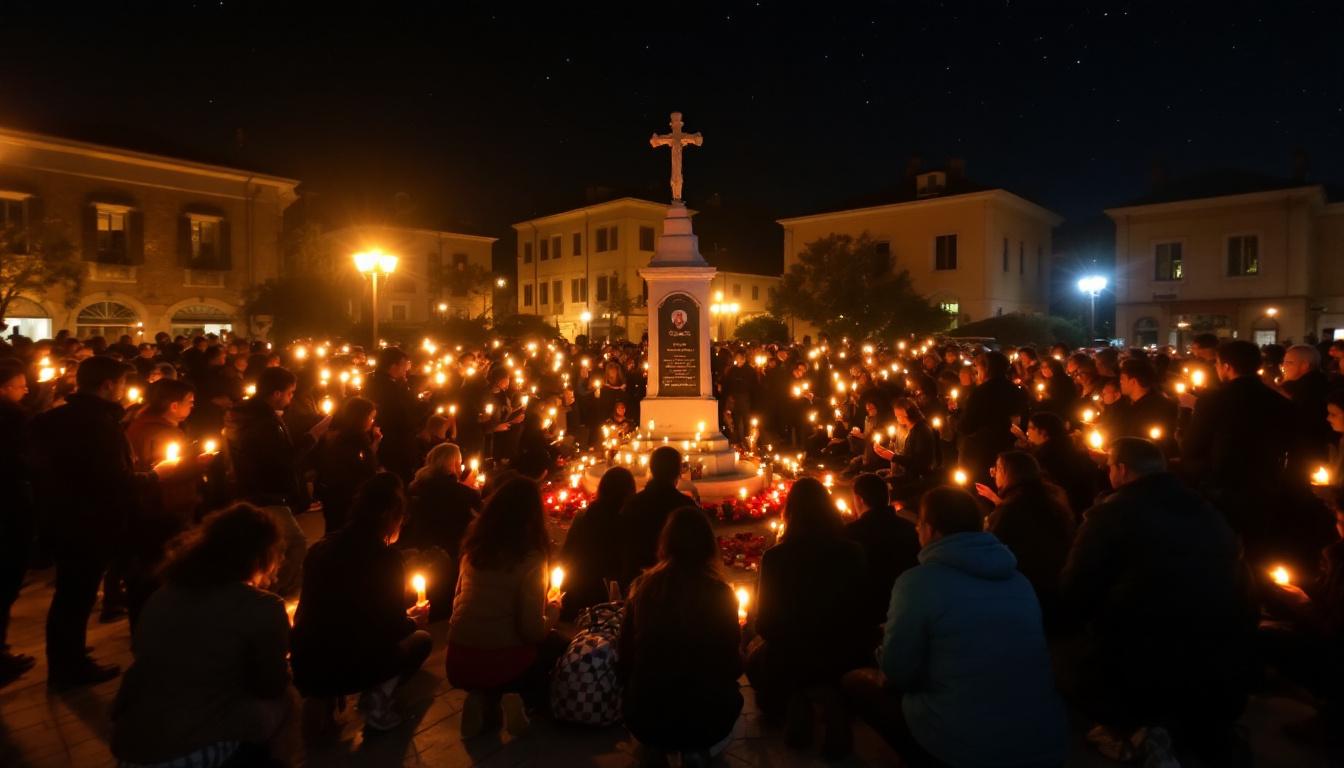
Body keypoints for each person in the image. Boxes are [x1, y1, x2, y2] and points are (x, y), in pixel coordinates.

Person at [1061, 437, 1257, 763]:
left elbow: (1074, 588)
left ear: (1121, 470)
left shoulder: (1111, 514)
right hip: (1219, 643)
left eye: (1109, 467)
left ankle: (1139, 730)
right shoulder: (1203, 508)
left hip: (1146, 648)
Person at [843, 486, 1068, 768]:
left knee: (855, 682)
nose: (916, 531)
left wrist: (884, 645)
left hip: (966, 747)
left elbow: (897, 672)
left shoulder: (918, 583)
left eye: (920, 525)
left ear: (933, 530)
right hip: (1043, 739)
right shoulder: (1018, 581)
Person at [111, 503, 295, 766]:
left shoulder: (163, 595)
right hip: (188, 751)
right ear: (261, 556)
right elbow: (271, 684)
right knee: (285, 702)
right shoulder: (262, 606)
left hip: (132, 744)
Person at [28, 355, 144, 687]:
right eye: (121, 383)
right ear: (108, 385)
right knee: (75, 596)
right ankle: (68, 668)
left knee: (70, 595)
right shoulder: (97, 425)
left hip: (61, 518)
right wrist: (156, 476)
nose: (124, 390)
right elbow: (113, 478)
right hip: (89, 522)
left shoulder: (54, 418)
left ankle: (68, 658)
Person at [291, 472, 431, 731]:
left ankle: (322, 694)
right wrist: (413, 619)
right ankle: (377, 697)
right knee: (422, 640)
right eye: (401, 516)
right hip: (351, 661)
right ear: (389, 515)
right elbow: (391, 627)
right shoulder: (384, 559)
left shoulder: (320, 549)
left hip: (306, 659)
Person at [748, 477, 868, 758]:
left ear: (790, 513)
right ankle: (827, 703)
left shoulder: (776, 557)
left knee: (754, 651)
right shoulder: (852, 551)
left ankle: (799, 700)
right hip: (845, 650)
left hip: (793, 655)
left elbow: (765, 622)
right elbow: (863, 606)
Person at [620, 506, 743, 765]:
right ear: (709, 545)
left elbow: (626, 656)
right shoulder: (720, 593)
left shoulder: (643, 589)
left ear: (667, 542)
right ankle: (696, 750)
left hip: (646, 712)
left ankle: (656, 744)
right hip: (709, 717)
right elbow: (731, 664)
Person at [446, 478, 563, 738]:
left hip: (458, 660)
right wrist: (553, 609)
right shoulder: (531, 558)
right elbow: (531, 630)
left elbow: (458, 601)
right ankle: (517, 695)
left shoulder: (472, 550)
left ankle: (484, 699)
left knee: (498, 644)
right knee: (554, 645)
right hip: (504, 664)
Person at [1181, 340, 1296, 565]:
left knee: (1220, 547)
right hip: (1265, 485)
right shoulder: (1278, 400)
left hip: (1223, 485)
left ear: (1226, 366)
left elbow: (1193, 445)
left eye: (1216, 363)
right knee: (1257, 549)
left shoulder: (1213, 400)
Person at [225, 366, 329, 596]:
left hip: (254, 489)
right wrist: (315, 434)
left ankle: (264, 586)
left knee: (270, 544)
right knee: (296, 542)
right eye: (290, 393)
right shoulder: (264, 423)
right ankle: (274, 591)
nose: (292, 398)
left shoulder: (247, 415)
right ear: (276, 394)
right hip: (266, 491)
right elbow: (284, 458)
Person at [123, 378, 206, 625]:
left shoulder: (141, 424)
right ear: (173, 405)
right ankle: (157, 627)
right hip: (164, 510)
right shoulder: (158, 432)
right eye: (189, 402)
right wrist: (198, 465)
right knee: (158, 573)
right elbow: (165, 473)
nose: (192, 407)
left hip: (156, 509)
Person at [974, 451, 1076, 629]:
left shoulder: (1010, 511)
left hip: (1027, 588)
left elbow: (992, 549)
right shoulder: (1050, 498)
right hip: (1058, 582)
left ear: (1009, 473)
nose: (993, 473)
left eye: (997, 469)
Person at [558, 466, 636, 621]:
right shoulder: (626, 521)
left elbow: (566, 555)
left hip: (577, 592)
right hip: (606, 598)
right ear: (629, 492)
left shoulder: (584, 516)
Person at [845, 473, 919, 635]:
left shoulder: (850, 535)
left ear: (859, 499)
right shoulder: (910, 529)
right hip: (905, 609)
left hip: (865, 615)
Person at [0, 360, 34, 685]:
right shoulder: (11, 421)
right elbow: (24, 464)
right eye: (19, 384)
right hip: (9, 511)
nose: (26, 390)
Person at [619, 446, 696, 586]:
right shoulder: (686, 506)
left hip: (637, 583)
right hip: (678, 584)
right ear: (678, 472)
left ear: (651, 469)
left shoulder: (632, 504)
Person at [955, 351, 1029, 484]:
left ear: (986, 368)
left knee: (975, 487)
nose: (976, 372)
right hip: (1006, 448)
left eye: (977, 368)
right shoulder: (1015, 390)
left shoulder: (980, 392)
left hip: (979, 451)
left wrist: (955, 416)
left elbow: (966, 426)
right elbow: (1021, 420)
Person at [312, 396, 382, 534]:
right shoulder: (352, 440)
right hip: (346, 498)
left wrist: (375, 443)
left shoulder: (342, 435)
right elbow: (362, 467)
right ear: (361, 417)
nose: (372, 422)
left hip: (335, 497)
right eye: (371, 417)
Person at [402, 442, 482, 560]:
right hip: (449, 553)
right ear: (454, 465)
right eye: (459, 463)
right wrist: (473, 491)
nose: (461, 467)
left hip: (419, 548)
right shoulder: (463, 493)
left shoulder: (417, 486)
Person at [1023, 411, 1098, 517]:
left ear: (1043, 432)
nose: (1027, 432)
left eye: (1031, 428)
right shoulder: (1071, 448)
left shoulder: (1044, 458)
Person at [366, 347, 421, 483]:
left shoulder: (373, 380)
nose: (405, 370)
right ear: (393, 366)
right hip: (395, 445)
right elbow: (404, 416)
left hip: (387, 442)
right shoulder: (389, 388)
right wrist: (421, 404)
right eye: (403, 365)